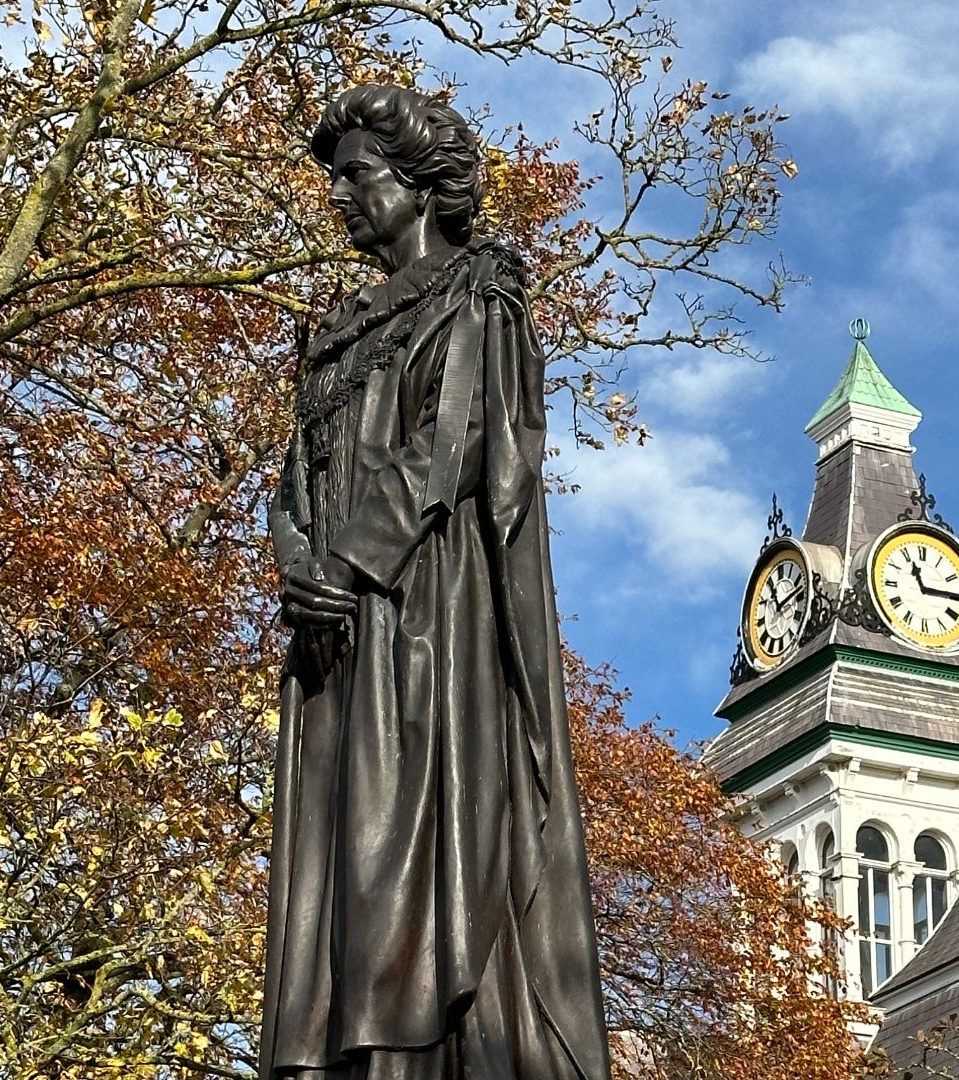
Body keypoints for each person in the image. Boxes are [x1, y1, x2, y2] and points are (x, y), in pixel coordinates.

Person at [260, 84, 611, 1080]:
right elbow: (288, 488)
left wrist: (348, 559)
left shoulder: (477, 294)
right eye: (333, 178)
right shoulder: (330, 336)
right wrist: (298, 564)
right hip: (331, 639)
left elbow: (453, 446)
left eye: (358, 175)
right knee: (331, 893)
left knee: (403, 865)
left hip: (423, 625)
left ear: (419, 186)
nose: (339, 196)